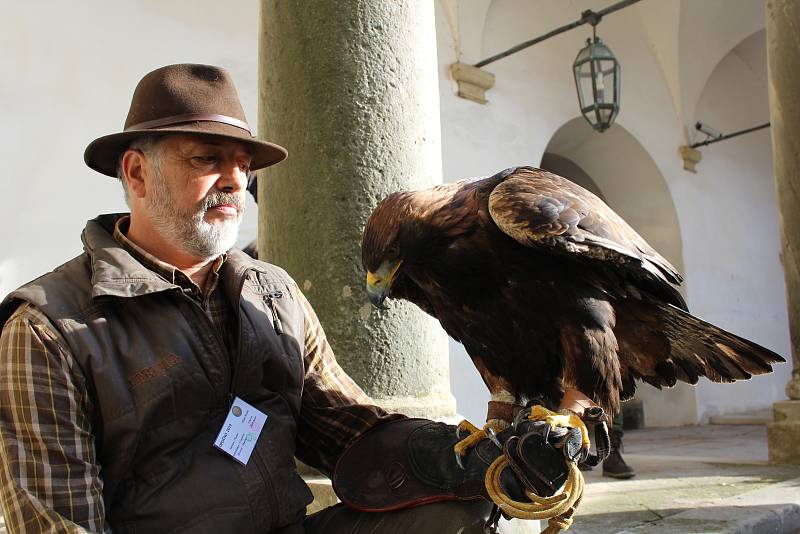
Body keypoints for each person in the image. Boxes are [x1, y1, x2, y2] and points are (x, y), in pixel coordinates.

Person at [0, 64, 569, 533]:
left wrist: (471, 457)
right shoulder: (50, 326)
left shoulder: (272, 292)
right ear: (136, 173)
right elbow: (54, 519)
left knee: (457, 513)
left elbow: (348, 429)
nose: (234, 182)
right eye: (206, 159)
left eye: (242, 166)